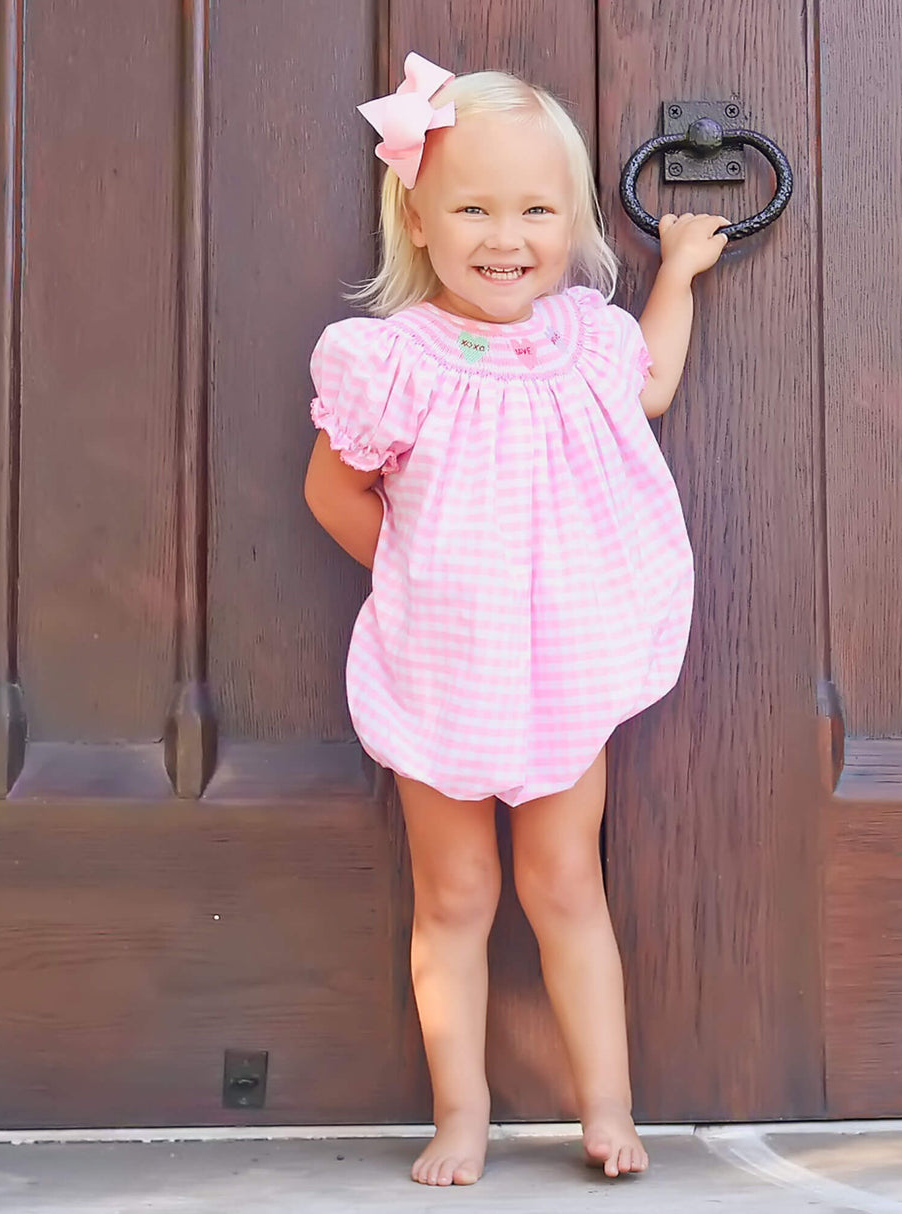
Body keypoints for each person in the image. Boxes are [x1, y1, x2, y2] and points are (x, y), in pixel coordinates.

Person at [304, 52, 728, 1188]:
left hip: (558, 675)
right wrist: (418, 575)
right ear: (419, 214)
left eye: (536, 209)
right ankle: (461, 1114)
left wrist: (675, 274)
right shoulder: (392, 359)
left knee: (563, 885)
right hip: (437, 666)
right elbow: (331, 491)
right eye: (474, 208)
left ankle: (607, 1105)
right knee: (453, 897)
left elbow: (649, 388)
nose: (507, 236)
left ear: (571, 219)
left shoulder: (584, 337)